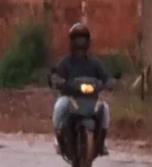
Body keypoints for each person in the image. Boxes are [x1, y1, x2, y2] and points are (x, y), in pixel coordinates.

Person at [49, 23, 115, 156]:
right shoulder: (65, 62)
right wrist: (57, 81)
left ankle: (101, 144)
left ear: (87, 41)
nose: (80, 43)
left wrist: (109, 82)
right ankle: (59, 139)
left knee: (105, 109)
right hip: (70, 98)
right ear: (72, 41)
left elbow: (106, 77)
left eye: (83, 39)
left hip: (91, 99)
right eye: (77, 39)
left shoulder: (94, 63)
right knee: (59, 107)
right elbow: (57, 75)